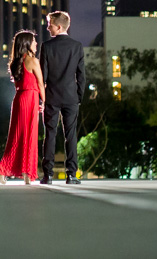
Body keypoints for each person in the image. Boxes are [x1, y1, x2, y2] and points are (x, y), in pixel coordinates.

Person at [39, 10, 86, 184]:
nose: (47, 27)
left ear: (58, 27)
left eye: (49, 24)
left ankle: (48, 175)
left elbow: (42, 76)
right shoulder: (77, 46)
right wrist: (79, 96)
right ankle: (72, 175)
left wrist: (41, 98)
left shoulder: (47, 46)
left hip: (51, 96)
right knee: (71, 135)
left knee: (50, 134)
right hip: (71, 96)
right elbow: (81, 76)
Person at [0, 29, 44, 185]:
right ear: (27, 44)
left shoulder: (16, 62)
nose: (36, 44)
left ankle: (3, 170)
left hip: (19, 100)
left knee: (16, 137)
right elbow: (41, 84)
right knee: (30, 136)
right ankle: (28, 174)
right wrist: (45, 103)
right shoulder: (33, 61)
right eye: (34, 41)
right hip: (30, 99)